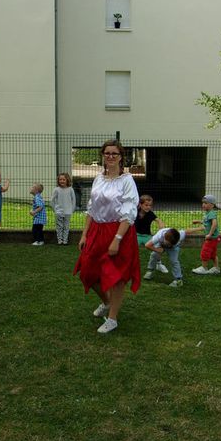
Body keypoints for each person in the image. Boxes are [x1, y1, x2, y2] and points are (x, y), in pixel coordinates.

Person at [74, 139, 140, 334]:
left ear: (121, 158)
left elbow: (129, 212)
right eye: (107, 153)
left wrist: (117, 239)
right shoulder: (98, 179)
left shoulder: (127, 181)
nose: (110, 156)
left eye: (114, 153)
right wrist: (84, 234)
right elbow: (91, 209)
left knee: (118, 276)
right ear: (102, 156)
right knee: (87, 271)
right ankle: (107, 302)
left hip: (119, 231)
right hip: (96, 230)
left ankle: (112, 318)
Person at [135, 194, 168, 274]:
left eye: (150, 205)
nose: (148, 207)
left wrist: (161, 227)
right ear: (140, 204)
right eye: (146, 205)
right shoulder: (135, 211)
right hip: (136, 235)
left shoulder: (150, 214)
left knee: (157, 247)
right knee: (130, 249)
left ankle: (159, 263)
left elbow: (158, 220)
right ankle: (130, 265)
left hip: (147, 236)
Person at [191, 194, 221, 275]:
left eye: (206, 203)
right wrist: (198, 221)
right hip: (214, 238)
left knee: (205, 251)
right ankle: (216, 268)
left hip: (211, 238)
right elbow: (206, 222)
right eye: (203, 203)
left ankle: (204, 268)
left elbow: (214, 224)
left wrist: (210, 234)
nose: (203, 205)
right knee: (213, 253)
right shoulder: (208, 213)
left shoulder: (211, 213)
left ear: (212, 205)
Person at [51, 173, 76, 245]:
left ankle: (65, 241)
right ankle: (60, 241)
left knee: (66, 226)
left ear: (67, 180)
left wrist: (72, 209)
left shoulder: (70, 189)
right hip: (59, 212)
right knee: (59, 227)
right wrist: (55, 210)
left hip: (68, 212)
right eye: (60, 179)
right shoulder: (56, 190)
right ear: (58, 181)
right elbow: (52, 200)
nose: (62, 181)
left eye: (63, 179)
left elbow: (73, 200)